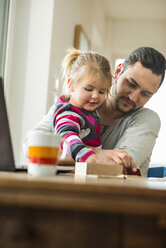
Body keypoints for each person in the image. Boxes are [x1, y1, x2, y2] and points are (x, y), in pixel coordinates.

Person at [23, 47, 166, 177]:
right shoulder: (73, 103)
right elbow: (32, 145)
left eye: (145, 94)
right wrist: (97, 154)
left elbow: (118, 166)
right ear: (117, 72)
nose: (133, 97)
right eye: (131, 84)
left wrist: (63, 150)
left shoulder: (147, 119)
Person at [52, 48, 112, 163]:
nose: (95, 96)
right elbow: (66, 137)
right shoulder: (68, 114)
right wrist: (85, 156)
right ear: (71, 85)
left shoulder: (87, 111)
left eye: (102, 92)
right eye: (89, 89)